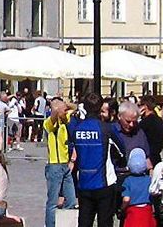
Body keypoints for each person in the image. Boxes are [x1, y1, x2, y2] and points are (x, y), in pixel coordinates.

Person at [71, 92, 119, 227]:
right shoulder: (106, 128)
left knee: (84, 222)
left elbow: (72, 150)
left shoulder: (77, 128)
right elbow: (122, 150)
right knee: (105, 222)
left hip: (84, 182)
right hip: (103, 183)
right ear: (100, 108)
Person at [44, 97, 77, 227]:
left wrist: (65, 104)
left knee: (71, 199)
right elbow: (52, 118)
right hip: (54, 166)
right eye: (64, 110)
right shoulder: (49, 123)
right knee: (53, 202)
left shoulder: (65, 121)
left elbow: (75, 108)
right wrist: (57, 109)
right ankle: (50, 225)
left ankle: (65, 224)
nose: (66, 112)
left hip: (65, 165)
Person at [121, 148, 155, 227]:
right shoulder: (149, 179)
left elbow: (126, 199)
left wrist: (122, 208)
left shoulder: (128, 181)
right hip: (147, 211)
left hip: (133, 212)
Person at [138, 95, 163, 167]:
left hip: (146, 159)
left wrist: (137, 116)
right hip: (157, 157)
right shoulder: (159, 120)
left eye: (140, 105)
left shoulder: (145, 122)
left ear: (145, 106)